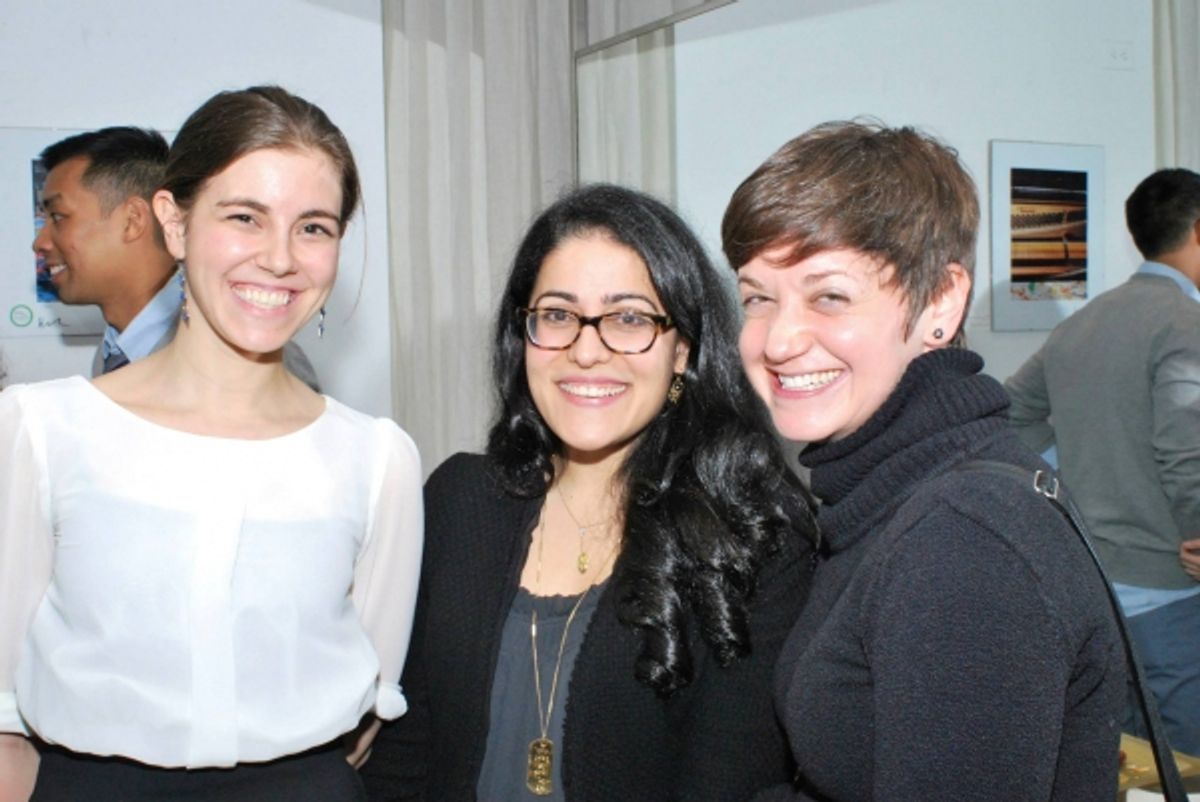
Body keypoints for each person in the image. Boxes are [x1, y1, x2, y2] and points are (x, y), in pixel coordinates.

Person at [0, 86, 423, 802]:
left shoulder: (377, 458)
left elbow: (368, 701)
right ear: (174, 222)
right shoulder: (42, 429)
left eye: (314, 227)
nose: (281, 259)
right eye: (244, 218)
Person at [360, 183, 816, 801]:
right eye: (557, 314)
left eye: (629, 318)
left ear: (682, 349)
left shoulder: (751, 542)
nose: (586, 349)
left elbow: (729, 783)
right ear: (523, 334)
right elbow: (402, 762)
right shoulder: (458, 500)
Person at [724, 121, 1126, 801]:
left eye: (829, 295)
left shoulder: (965, 536)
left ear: (939, 300)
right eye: (758, 297)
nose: (778, 340)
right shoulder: (890, 494)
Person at [1005, 167, 1200, 757]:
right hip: (1171, 586)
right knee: (1189, 761)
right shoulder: (1186, 324)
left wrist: (1078, 479)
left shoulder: (1082, 323)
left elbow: (1010, 412)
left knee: (1131, 760)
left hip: (1098, 584)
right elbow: (1186, 449)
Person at [33, 125, 319, 387]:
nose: (40, 242)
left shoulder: (247, 360)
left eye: (58, 217)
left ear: (133, 221)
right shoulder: (116, 350)